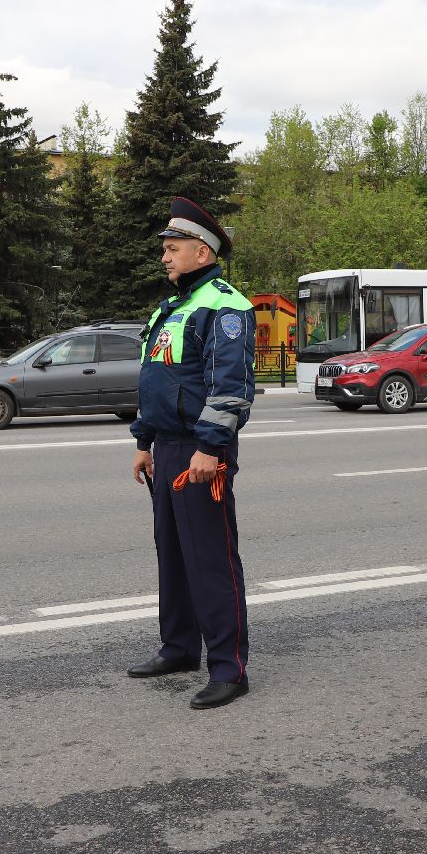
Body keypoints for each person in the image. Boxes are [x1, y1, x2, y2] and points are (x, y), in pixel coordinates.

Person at [128, 197, 257, 710]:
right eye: (164, 247)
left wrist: (210, 446)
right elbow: (155, 381)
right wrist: (143, 441)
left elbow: (231, 386)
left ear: (202, 252)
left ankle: (230, 669)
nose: (165, 256)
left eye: (173, 247)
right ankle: (180, 647)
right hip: (167, 447)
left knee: (211, 560)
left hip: (203, 451)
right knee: (174, 556)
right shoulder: (172, 308)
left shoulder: (226, 306)